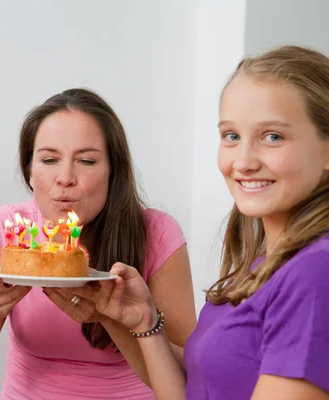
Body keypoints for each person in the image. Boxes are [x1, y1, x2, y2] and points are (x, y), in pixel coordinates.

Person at [74, 45, 329, 400]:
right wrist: (143, 322)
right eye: (232, 136)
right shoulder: (263, 266)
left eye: (273, 136)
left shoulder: (314, 272)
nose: (244, 161)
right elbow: (198, 389)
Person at [0, 88, 197, 399]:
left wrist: (110, 317)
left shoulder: (157, 233)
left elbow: (189, 384)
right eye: (49, 159)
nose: (65, 178)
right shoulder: (6, 229)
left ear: (113, 171)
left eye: (87, 161)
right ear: (29, 170)